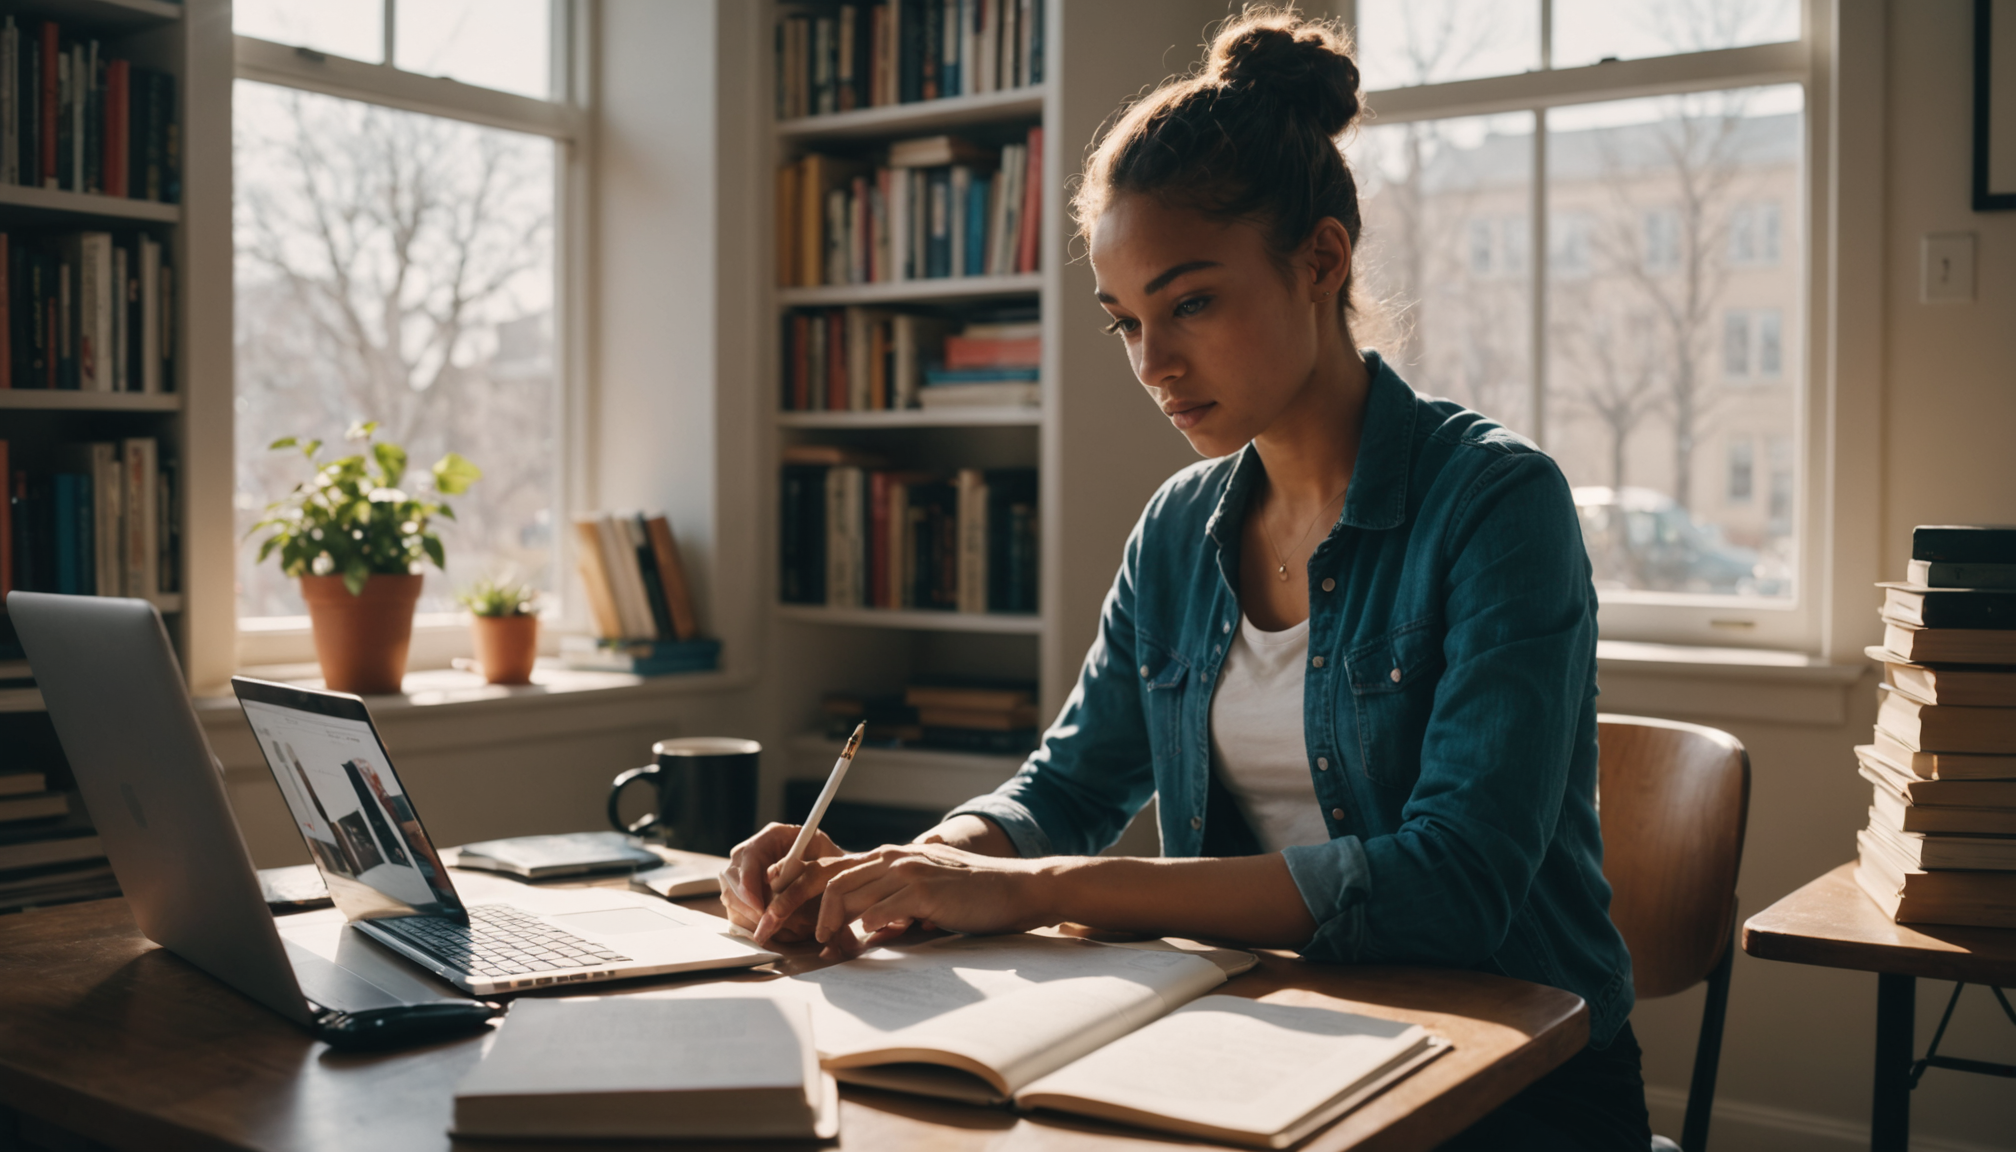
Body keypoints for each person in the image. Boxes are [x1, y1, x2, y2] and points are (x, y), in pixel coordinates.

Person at [725, 9, 1647, 1147]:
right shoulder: (1179, 529)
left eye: (1192, 303)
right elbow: (1064, 788)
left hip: (1509, 1078)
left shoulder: (1497, 503)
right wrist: (910, 869)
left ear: (1321, 259)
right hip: (1252, 1048)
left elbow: (1454, 886)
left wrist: (1043, 890)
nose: (1153, 364)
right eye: (1126, 322)